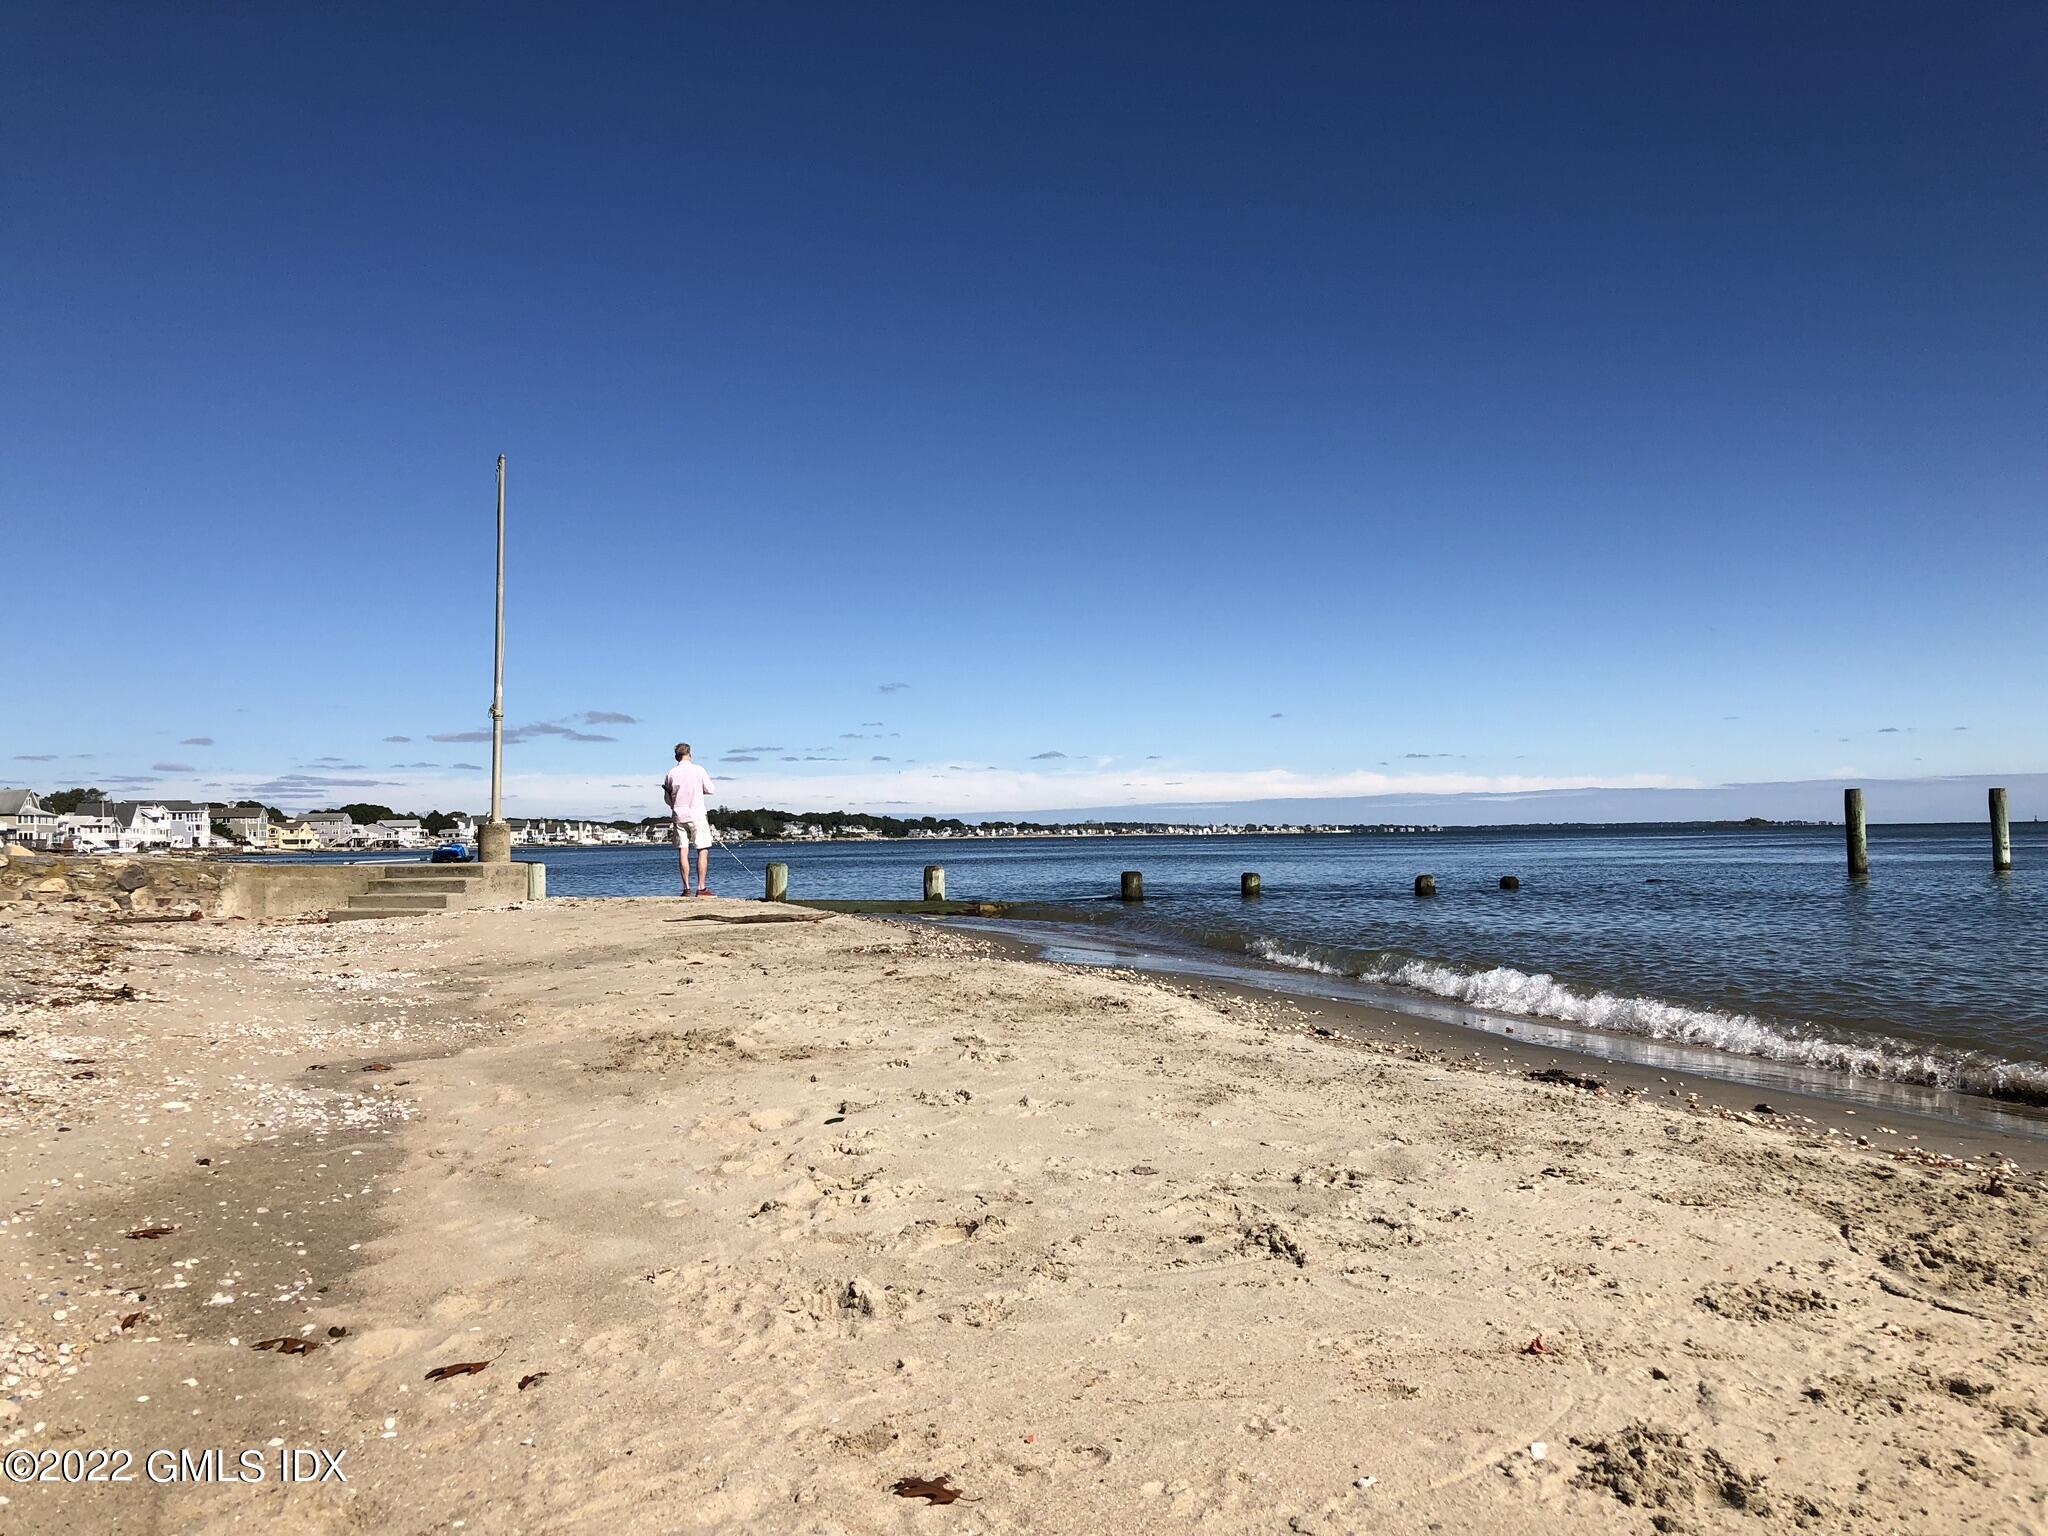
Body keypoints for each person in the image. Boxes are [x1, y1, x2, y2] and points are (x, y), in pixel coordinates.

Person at [661, 742, 717, 896]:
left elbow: (667, 799)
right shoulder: (698, 770)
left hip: (679, 815)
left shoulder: (671, 773)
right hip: (697, 814)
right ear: (690, 754)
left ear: (676, 757)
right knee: (702, 850)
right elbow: (710, 789)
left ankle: (686, 888)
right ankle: (701, 887)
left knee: (683, 851)